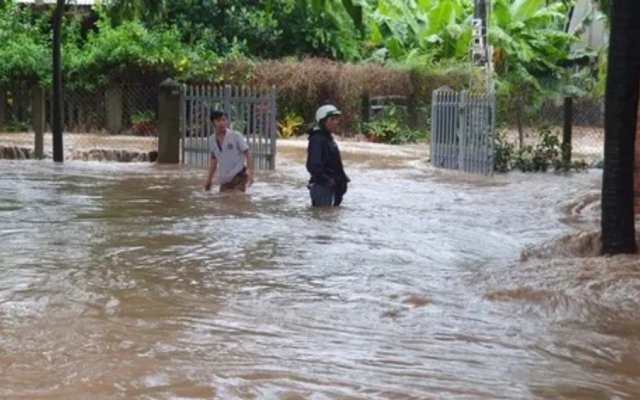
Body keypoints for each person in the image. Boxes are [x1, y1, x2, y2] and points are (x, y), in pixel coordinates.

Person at [306, 104, 350, 207]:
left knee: (329, 219)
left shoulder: (326, 138)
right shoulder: (317, 139)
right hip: (323, 188)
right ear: (322, 121)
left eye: (336, 119)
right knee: (323, 219)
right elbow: (313, 165)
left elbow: (332, 163)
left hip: (330, 188)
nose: (335, 123)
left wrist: (342, 177)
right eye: (332, 119)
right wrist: (327, 180)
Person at [204, 110, 254, 192]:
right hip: (224, 181)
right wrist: (209, 179)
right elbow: (214, 160)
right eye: (218, 120)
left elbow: (248, 153)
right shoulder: (211, 140)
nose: (222, 123)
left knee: (237, 200)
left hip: (239, 177)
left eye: (224, 120)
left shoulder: (236, 135)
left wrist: (250, 173)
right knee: (223, 202)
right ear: (212, 123)